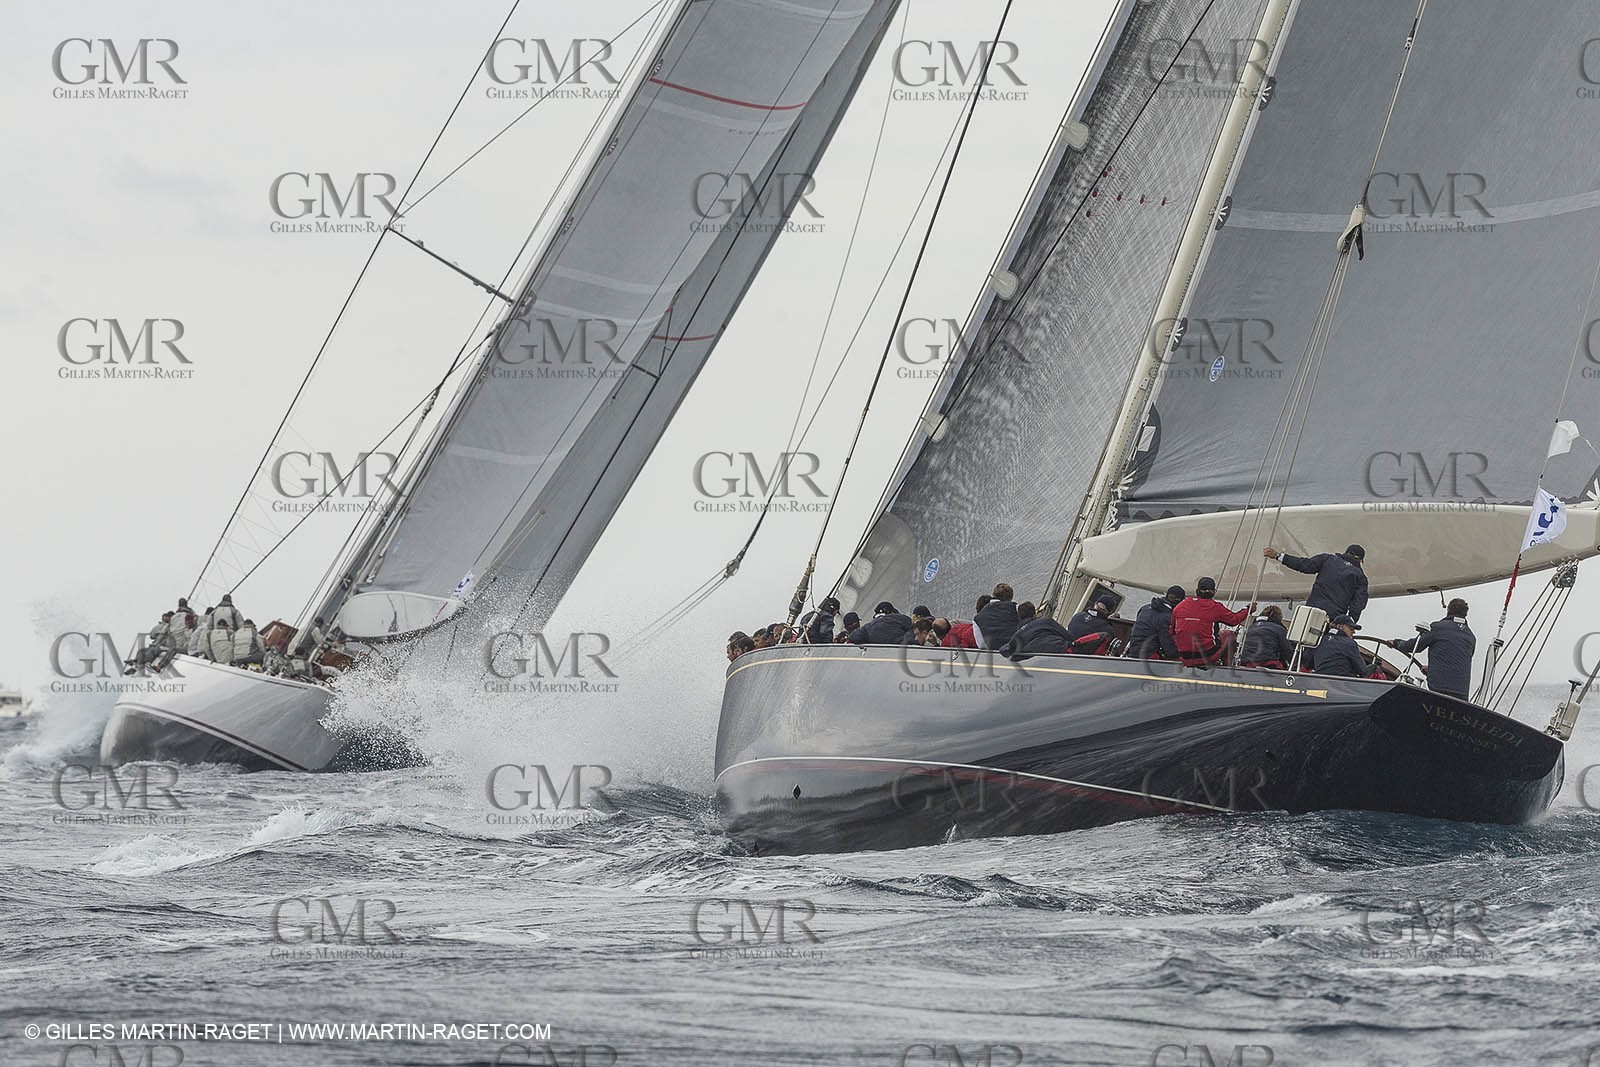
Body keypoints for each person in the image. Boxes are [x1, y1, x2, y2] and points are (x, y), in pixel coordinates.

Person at [1385, 598, 1475, 699]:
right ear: (1465, 613)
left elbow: (1415, 646)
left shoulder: (1438, 627)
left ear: (1448, 610)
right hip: (1461, 695)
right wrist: (1432, 669)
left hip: (1439, 690)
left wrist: (1396, 643)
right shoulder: (1471, 637)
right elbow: (1456, 658)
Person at [1172, 577, 1255, 667]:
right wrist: (1248, 609)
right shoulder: (1215, 607)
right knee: (1229, 635)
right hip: (1207, 656)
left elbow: (1172, 631)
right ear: (1214, 592)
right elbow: (1234, 620)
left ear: (1197, 591)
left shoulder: (1180, 606)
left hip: (1184, 656)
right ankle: (1228, 667)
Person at [1000, 602, 1071, 660]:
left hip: (1039, 661)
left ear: (1019, 617)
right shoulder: (1046, 621)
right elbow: (1067, 636)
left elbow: (1005, 651)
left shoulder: (1018, 635)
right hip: (1062, 651)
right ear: (1034, 615)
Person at [1128, 586, 1182, 660]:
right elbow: (1167, 644)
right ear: (1178, 601)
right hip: (1148, 656)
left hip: (1133, 651)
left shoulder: (1144, 608)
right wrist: (1179, 656)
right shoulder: (1166, 617)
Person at [973, 584, 1021, 651]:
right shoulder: (1016, 607)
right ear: (1010, 598)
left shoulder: (977, 619)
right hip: (1016, 649)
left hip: (994, 653)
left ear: (994, 595)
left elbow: (981, 645)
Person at [849, 601, 915, 645]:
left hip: (879, 658)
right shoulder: (900, 618)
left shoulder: (869, 626)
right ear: (891, 612)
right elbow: (916, 629)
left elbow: (854, 637)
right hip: (904, 654)